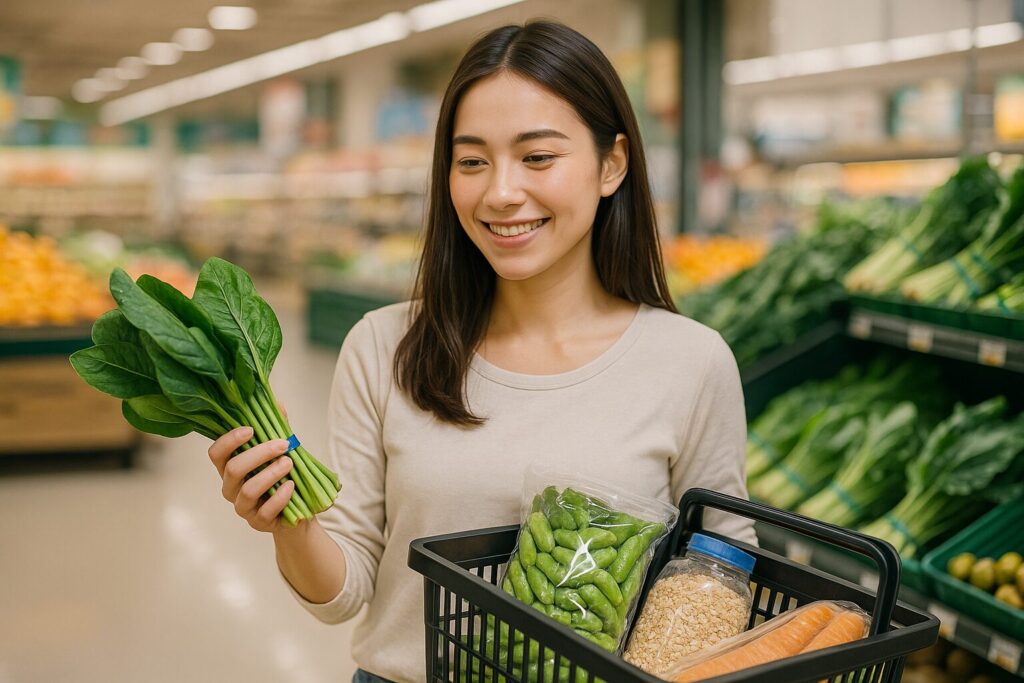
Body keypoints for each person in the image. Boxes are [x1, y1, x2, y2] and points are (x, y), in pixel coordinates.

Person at [207, 20, 756, 683]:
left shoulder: (690, 361)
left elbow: (721, 566)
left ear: (612, 164)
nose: (499, 192)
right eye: (471, 161)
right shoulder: (384, 345)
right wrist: (286, 520)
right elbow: (345, 590)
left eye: (537, 157)